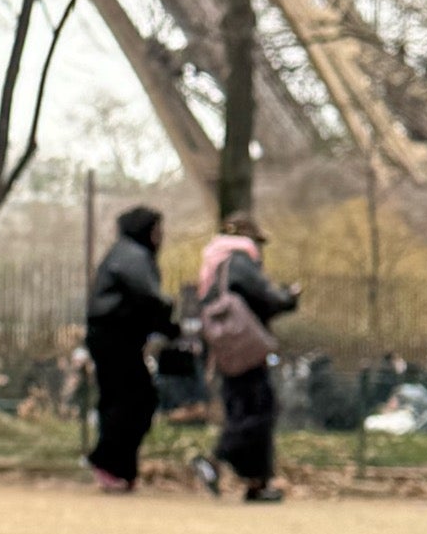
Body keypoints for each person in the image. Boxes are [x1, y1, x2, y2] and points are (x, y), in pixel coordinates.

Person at [191, 212, 302, 503]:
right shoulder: (239, 260)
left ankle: (257, 482)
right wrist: (288, 298)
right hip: (246, 349)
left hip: (227, 350)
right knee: (261, 410)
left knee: (242, 409)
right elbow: (265, 298)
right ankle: (214, 461)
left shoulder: (214, 263)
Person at [82, 201, 177, 491]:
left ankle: (120, 468)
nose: (161, 236)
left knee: (124, 399)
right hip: (117, 337)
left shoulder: (125, 253)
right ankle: (108, 462)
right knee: (134, 399)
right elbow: (147, 297)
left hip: (115, 336)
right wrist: (169, 323)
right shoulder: (133, 256)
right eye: (157, 230)